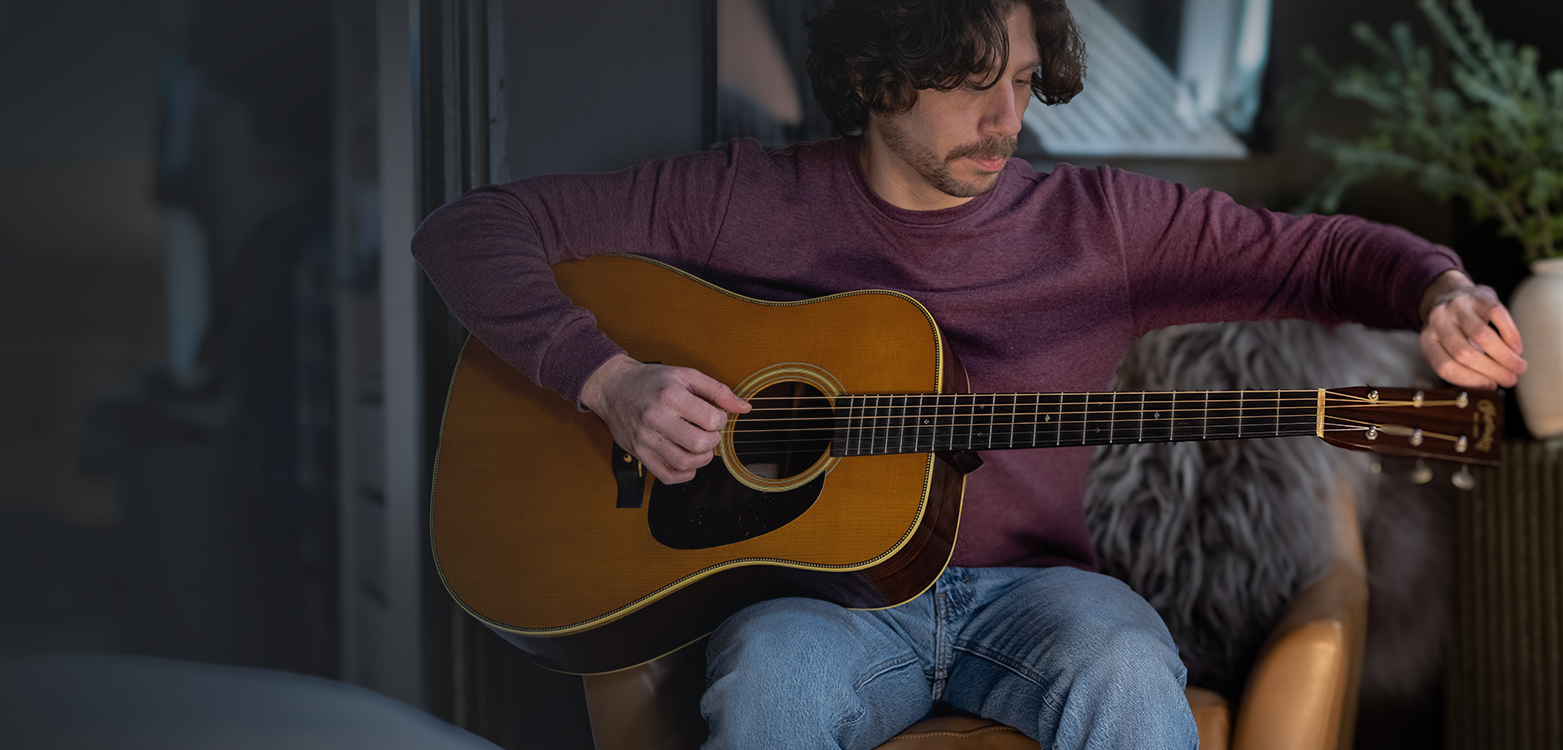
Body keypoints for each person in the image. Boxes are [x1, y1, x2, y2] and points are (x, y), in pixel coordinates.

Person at [412, 0, 1526, 747]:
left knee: (1130, 669)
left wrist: (1437, 291)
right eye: (969, 84)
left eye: (1028, 81)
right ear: (877, 71)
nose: (1008, 120)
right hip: (821, 603)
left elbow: (1321, 252)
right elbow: (471, 230)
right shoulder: (745, 197)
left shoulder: (1104, 223)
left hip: (1040, 591)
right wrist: (610, 381)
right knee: (765, 682)